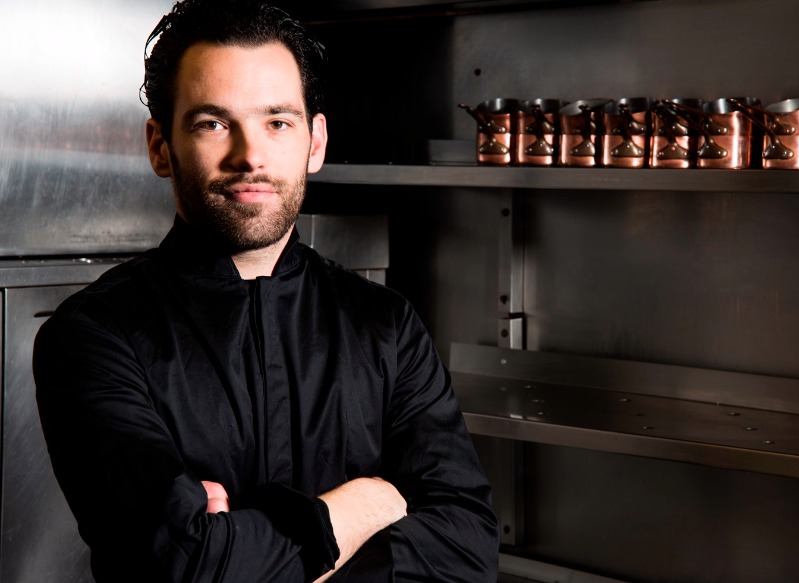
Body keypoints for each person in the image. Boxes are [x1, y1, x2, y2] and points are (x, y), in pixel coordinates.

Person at [32, 1, 500, 581]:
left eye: (277, 122)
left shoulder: (386, 325)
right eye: (213, 123)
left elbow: (468, 548)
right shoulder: (94, 335)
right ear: (160, 146)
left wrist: (246, 550)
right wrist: (364, 507)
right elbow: (181, 565)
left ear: (315, 142)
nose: (249, 156)